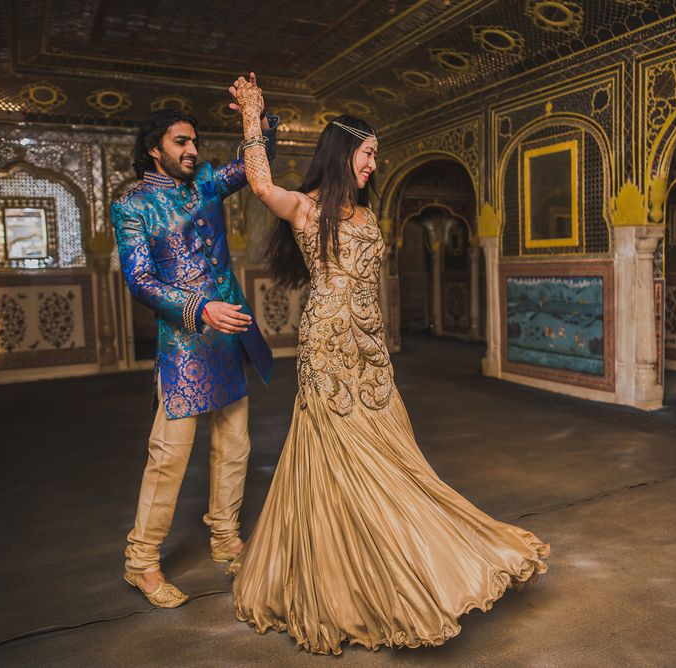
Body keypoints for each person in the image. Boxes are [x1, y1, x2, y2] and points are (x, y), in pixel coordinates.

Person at [227, 75, 549, 653]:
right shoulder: (305, 208)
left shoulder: (367, 218)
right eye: (369, 153)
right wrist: (253, 115)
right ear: (343, 151)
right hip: (326, 347)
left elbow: (369, 291)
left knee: (391, 449)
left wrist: (377, 343)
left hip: (369, 350)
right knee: (337, 453)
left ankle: (409, 557)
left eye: (377, 154)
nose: (375, 163)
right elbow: (259, 182)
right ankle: (352, 581)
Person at [110, 83, 278, 608]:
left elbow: (254, 166)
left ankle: (226, 540)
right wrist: (198, 308)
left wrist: (257, 119)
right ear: (154, 148)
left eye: (195, 142)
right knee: (169, 457)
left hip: (229, 336)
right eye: (181, 142)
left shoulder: (206, 183)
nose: (192, 151)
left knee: (235, 447)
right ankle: (141, 561)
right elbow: (140, 281)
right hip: (184, 344)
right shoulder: (131, 204)